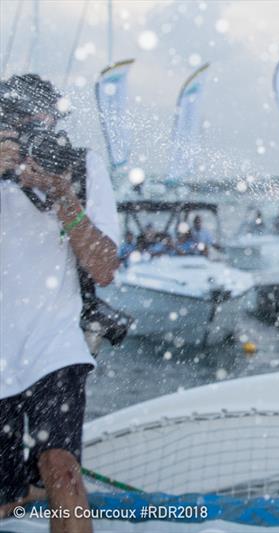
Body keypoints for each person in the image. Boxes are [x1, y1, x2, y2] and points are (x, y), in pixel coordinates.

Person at [0, 74, 120, 533]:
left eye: (44, 122)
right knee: (6, 495)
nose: (35, 135)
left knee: (63, 468)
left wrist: (64, 195)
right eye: (21, 121)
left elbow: (105, 268)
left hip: (54, 342)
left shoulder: (79, 166)